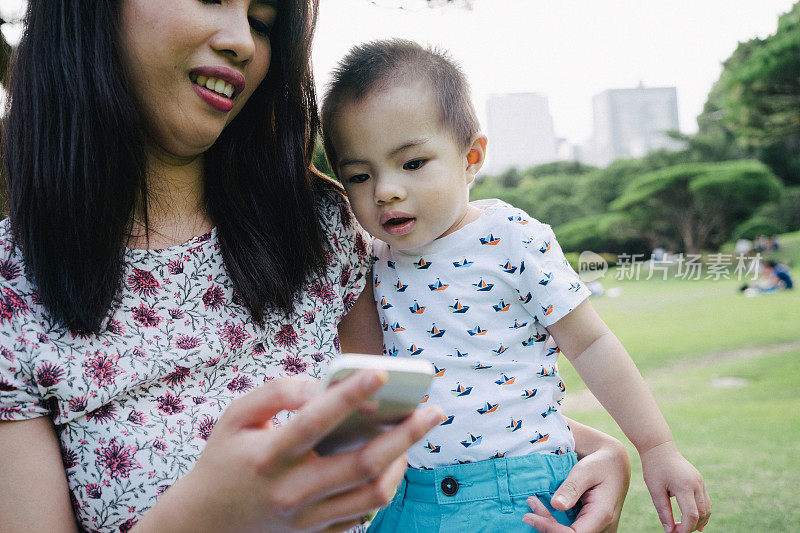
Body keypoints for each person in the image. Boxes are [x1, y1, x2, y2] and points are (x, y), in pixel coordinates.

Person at [0, 3, 630, 533]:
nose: (241, 40)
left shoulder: (326, 222)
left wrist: (584, 450)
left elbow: (405, 404)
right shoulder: (13, 287)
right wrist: (201, 518)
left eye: (265, 21)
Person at [321, 39, 711, 533]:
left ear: (472, 157)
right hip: (411, 500)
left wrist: (657, 448)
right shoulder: (369, 263)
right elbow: (377, 386)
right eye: (359, 175)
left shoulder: (511, 237)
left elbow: (591, 343)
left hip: (521, 492)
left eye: (413, 163)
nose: (386, 190)